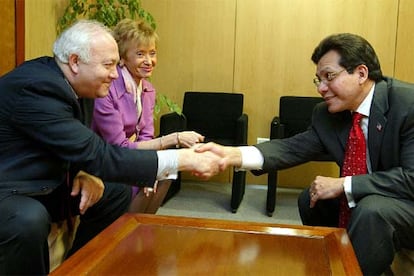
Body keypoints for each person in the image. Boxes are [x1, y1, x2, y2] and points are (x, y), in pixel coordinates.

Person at [0, 20, 221, 275]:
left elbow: (69, 143)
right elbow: (98, 153)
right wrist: (181, 159)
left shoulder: (77, 85)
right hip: (8, 186)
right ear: (74, 61)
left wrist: (83, 172)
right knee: (28, 219)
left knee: (113, 192)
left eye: (116, 65)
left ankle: (79, 267)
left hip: (37, 180)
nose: (115, 74)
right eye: (108, 65)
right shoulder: (38, 89)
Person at [196, 33, 414, 275]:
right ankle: (337, 264)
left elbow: (411, 178)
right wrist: (230, 155)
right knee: (313, 197)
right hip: (375, 197)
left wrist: (344, 184)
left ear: (361, 74)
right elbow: (290, 147)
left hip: (406, 202)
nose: (321, 88)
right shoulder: (328, 115)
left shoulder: (407, 104)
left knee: (372, 210)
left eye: (329, 77)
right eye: (318, 80)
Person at [91, 18, 204, 214]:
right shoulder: (106, 90)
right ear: (122, 58)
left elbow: (146, 136)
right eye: (140, 54)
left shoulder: (148, 90)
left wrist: (148, 165)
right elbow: (119, 147)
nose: (149, 61)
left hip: (130, 156)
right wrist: (173, 139)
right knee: (149, 173)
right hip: (107, 161)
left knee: (168, 171)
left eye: (152, 53)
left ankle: (143, 227)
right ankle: (125, 232)